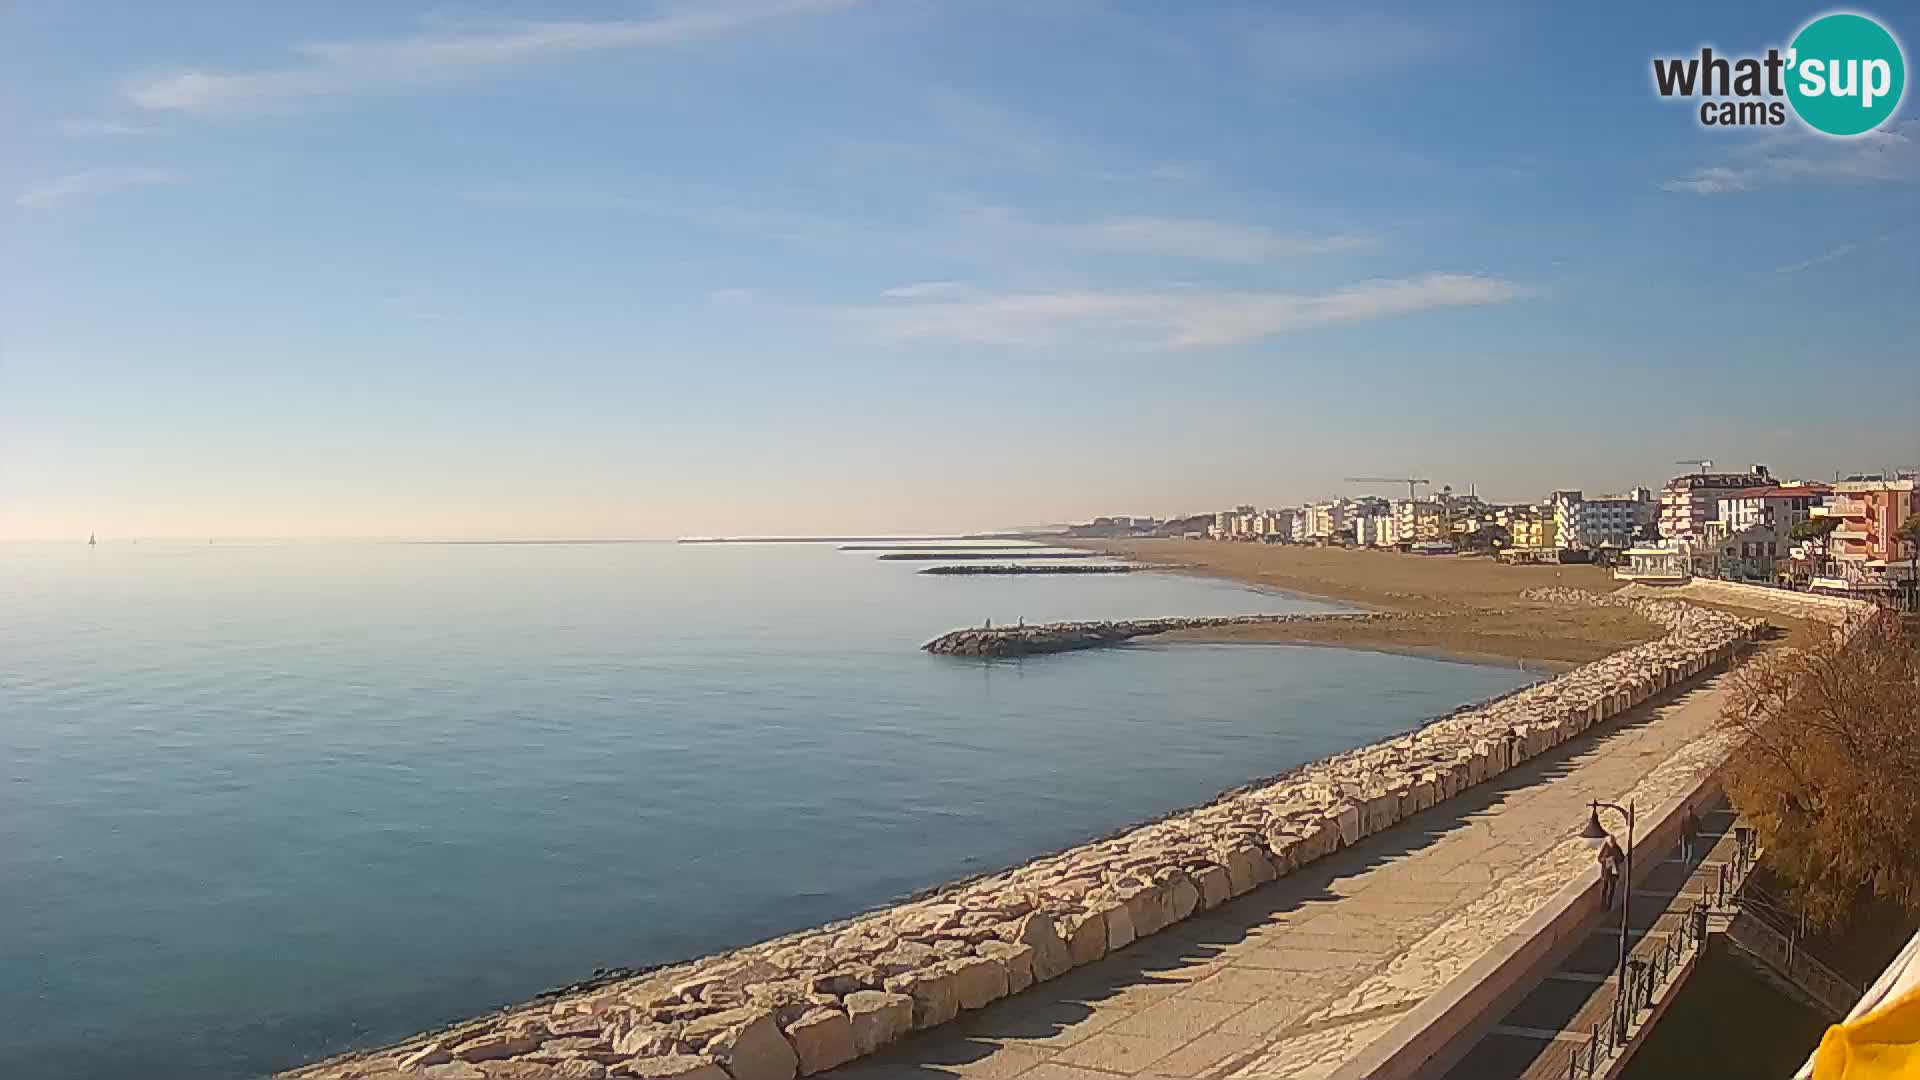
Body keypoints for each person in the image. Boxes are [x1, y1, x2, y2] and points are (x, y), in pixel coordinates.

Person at [1599, 835, 1625, 910]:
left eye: (1613, 842)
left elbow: (1622, 858)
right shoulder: (1605, 847)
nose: (1612, 844)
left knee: (1611, 889)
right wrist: (1606, 860)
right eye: (1611, 842)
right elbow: (1599, 858)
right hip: (1606, 871)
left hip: (1613, 871)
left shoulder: (1617, 848)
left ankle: (1609, 906)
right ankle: (1602, 905)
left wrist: (1615, 859)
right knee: (1604, 889)